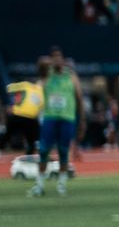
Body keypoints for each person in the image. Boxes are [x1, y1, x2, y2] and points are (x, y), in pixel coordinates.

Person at [28, 51, 81, 198]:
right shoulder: (47, 75)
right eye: (54, 57)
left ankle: (61, 186)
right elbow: (40, 62)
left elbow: (79, 100)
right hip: (50, 118)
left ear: (64, 60)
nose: (57, 60)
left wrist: (82, 122)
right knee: (44, 151)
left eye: (60, 57)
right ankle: (39, 186)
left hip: (67, 118)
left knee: (64, 153)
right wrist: (53, 62)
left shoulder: (71, 76)